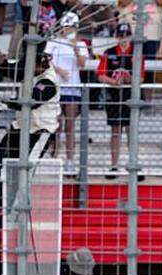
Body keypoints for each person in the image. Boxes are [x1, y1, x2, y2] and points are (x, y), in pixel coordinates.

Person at [0, 49, 61, 165]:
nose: (27, 69)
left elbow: (32, 102)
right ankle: (1, 182)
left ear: (40, 66)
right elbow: (14, 71)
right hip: (21, 126)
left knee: (28, 167)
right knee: (0, 158)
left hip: (40, 130)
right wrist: (2, 63)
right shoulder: (31, 70)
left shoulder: (48, 81)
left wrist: (5, 101)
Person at [98, 23, 144, 177]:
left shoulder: (137, 53)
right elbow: (101, 75)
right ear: (116, 37)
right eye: (120, 36)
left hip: (131, 96)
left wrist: (130, 79)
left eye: (126, 36)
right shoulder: (109, 53)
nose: (123, 39)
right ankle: (114, 165)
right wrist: (114, 82)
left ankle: (133, 163)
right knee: (115, 131)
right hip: (114, 95)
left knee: (131, 131)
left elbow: (142, 77)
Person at [46, 12, 91, 169]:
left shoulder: (81, 45)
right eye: (66, 27)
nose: (68, 30)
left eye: (71, 27)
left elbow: (82, 63)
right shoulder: (53, 42)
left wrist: (75, 49)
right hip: (56, 87)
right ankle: (55, 154)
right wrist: (59, 71)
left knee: (70, 125)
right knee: (55, 124)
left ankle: (70, 158)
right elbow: (46, 61)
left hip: (72, 87)